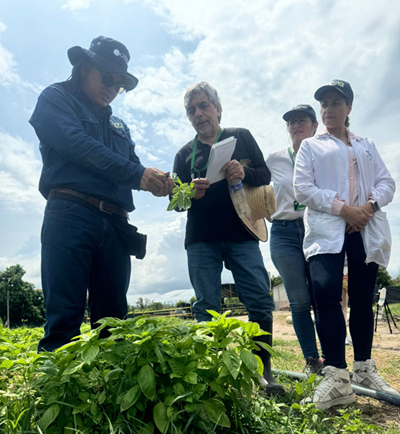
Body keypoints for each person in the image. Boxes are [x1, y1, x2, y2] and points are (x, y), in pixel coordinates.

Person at [29, 36, 173, 352]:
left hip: (116, 224)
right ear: (85, 68)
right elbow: (79, 145)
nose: (112, 89)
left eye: (119, 84)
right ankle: (55, 397)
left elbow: (132, 166)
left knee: (114, 326)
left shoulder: (119, 124)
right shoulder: (55, 98)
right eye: (108, 77)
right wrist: (138, 174)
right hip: (71, 213)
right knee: (64, 320)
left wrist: (160, 182)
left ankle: (109, 400)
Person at [173, 82, 284, 394]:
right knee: (207, 307)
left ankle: (264, 373)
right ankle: (214, 376)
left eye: (203, 106)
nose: (198, 113)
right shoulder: (184, 154)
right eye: (191, 110)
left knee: (260, 301)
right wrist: (187, 192)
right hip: (200, 239)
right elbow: (176, 202)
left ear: (217, 109)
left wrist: (244, 172)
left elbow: (265, 175)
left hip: (243, 233)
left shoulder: (241, 137)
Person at [294, 79, 398, 409]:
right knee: (325, 294)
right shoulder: (311, 146)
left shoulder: (366, 145)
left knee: (362, 297)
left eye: (336, 102)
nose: (328, 109)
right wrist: (344, 209)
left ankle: (364, 369)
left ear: (349, 108)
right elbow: (302, 189)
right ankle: (337, 375)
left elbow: (387, 182)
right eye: (324, 103)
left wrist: (368, 207)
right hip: (328, 229)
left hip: (364, 227)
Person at [266, 105, 323, 374]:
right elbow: (252, 182)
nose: (296, 125)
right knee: (299, 300)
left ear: (315, 126)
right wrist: (258, 211)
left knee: (323, 296)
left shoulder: (325, 155)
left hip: (317, 229)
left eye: (302, 120)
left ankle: (333, 359)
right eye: (291, 123)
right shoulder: (274, 159)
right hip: (284, 232)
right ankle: (312, 360)